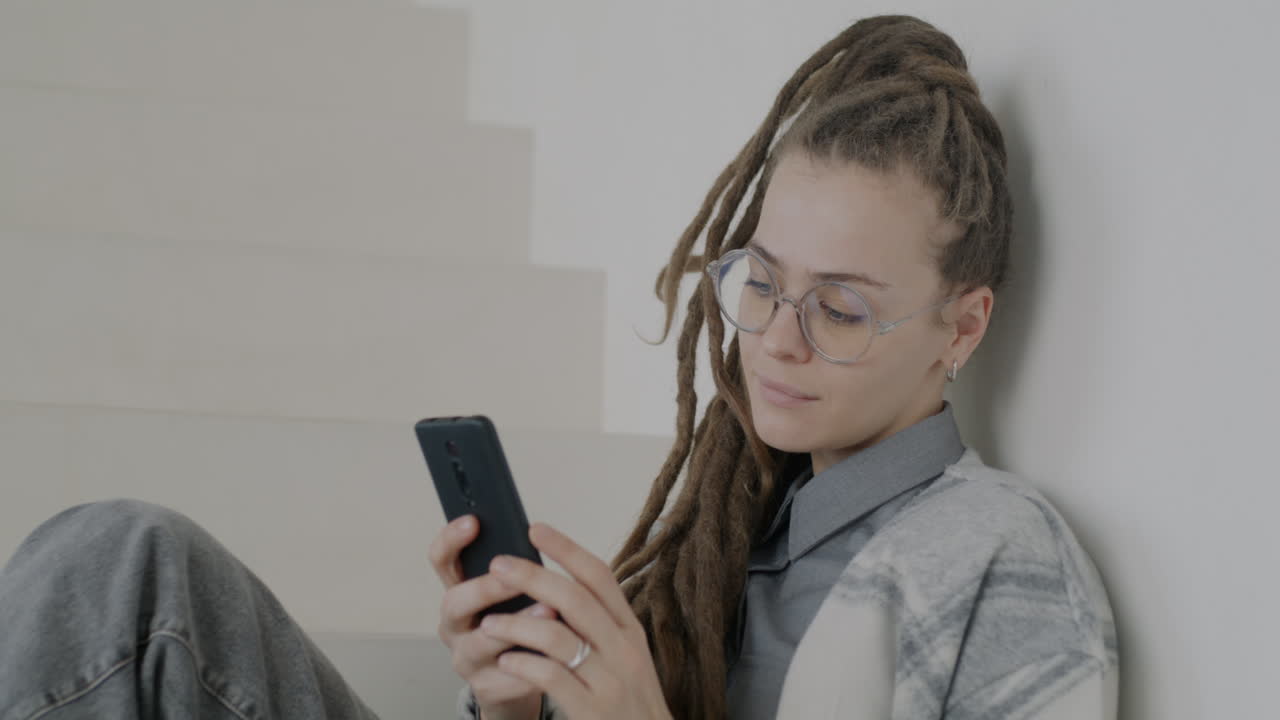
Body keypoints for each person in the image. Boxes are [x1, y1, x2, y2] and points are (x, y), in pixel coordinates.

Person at [0, 14, 1117, 720]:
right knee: (125, 565)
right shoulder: (733, 526)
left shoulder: (1001, 561)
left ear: (962, 328)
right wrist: (513, 702)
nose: (777, 337)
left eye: (840, 308)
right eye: (762, 281)